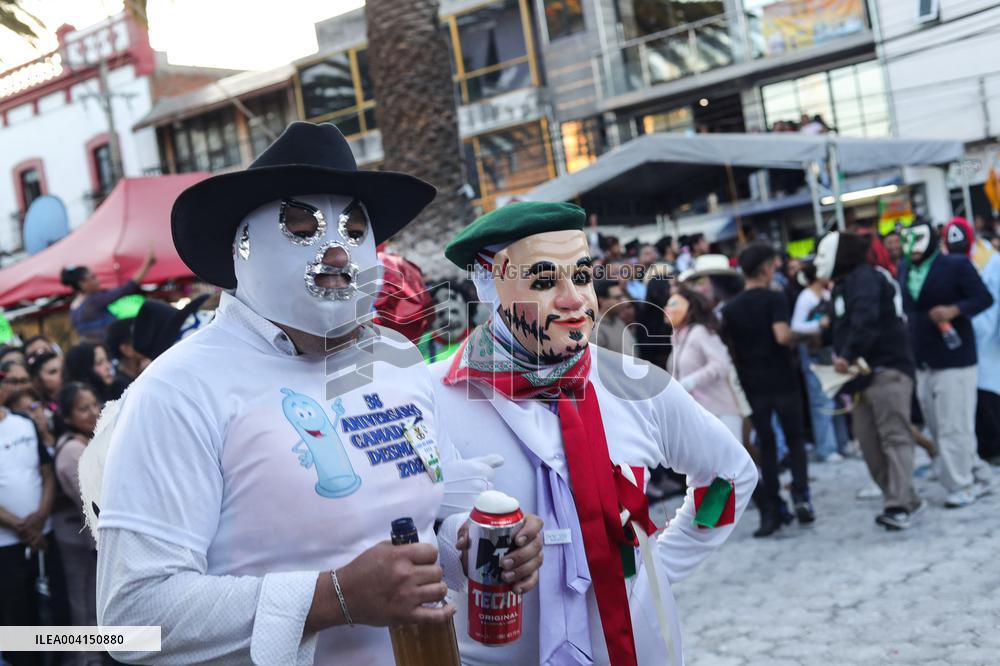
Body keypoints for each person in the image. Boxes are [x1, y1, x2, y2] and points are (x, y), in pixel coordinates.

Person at [90, 122, 543, 664]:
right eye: (301, 225)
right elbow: (131, 616)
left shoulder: (395, 359)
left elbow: (435, 520)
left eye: (354, 228)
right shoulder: (178, 390)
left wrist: (479, 547)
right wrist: (333, 599)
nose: (335, 250)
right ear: (244, 246)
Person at [431, 202, 757, 666]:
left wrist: (660, 568)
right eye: (543, 281)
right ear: (493, 288)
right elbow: (405, 530)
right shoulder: (431, 397)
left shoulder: (637, 385)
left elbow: (727, 477)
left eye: (581, 276)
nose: (574, 299)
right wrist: (456, 545)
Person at [815, 232, 924, 529]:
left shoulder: (865, 278)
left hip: (886, 370)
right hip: (858, 380)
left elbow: (866, 320)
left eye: (823, 254)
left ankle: (898, 504)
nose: (818, 262)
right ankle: (904, 498)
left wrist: (848, 354)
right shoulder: (841, 287)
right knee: (869, 443)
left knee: (895, 436)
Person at [898, 220, 994, 507]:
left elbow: (983, 298)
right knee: (938, 425)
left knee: (955, 425)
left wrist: (955, 310)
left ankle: (962, 484)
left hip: (956, 358)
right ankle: (976, 472)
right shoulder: (905, 269)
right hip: (924, 359)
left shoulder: (955, 265)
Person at [721, 243, 813, 537]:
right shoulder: (775, 298)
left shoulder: (731, 309)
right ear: (764, 268)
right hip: (783, 378)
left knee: (767, 445)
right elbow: (782, 335)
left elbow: (731, 350)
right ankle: (800, 495)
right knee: (795, 439)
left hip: (753, 383)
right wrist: (811, 334)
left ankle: (772, 510)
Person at [0, 392, 71, 665]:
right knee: (18, 620)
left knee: (54, 611)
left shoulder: (23, 422)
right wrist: (19, 525)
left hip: (44, 534)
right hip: (7, 545)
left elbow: (46, 471)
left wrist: (41, 515)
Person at [51, 382, 102, 666]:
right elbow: (90, 500)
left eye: (95, 404)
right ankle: (85, 658)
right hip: (77, 539)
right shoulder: (72, 450)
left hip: (84, 537)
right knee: (81, 600)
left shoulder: (85, 442)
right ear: (68, 417)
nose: (93, 412)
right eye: (84, 408)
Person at [942, 218, 1000, 465]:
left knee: (989, 392)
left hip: (989, 335)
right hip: (970, 339)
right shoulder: (950, 265)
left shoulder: (992, 261)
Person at [665, 287, 746, 440]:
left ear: (688, 310)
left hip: (720, 412)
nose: (668, 309)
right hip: (697, 415)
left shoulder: (700, 332)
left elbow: (721, 364)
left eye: (674, 304)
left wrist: (691, 381)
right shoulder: (677, 337)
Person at [790, 263, 842, 462]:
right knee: (820, 400)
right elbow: (796, 325)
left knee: (833, 396)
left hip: (828, 352)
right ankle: (826, 448)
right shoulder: (806, 297)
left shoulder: (827, 293)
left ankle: (839, 443)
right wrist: (818, 324)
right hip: (813, 353)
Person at [60, 248, 156, 343]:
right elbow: (128, 288)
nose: (97, 280)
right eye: (92, 277)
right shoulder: (94, 301)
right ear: (82, 283)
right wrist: (147, 265)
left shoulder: (73, 307)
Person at [417, 281, 475, 363]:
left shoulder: (487, 341)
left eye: (454, 311)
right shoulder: (417, 347)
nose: (449, 318)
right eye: (436, 302)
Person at [593, 278, 637, 356]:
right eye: (617, 298)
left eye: (621, 297)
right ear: (602, 301)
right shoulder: (596, 329)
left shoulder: (618, 321)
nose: (622, 301)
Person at [105, 318, 148, 395]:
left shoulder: (143, 370)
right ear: (126, 349)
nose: (147, 341)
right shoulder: (122, 388)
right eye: (140, 337)